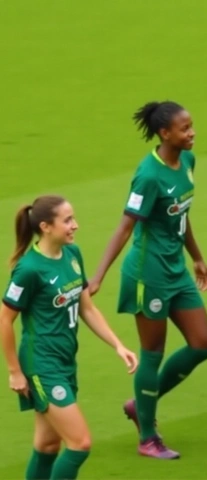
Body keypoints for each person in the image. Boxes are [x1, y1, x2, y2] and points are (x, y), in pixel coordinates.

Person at [89, 101, 207, 459]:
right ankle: (147, 437)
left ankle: (141, 404)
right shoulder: (148, 174)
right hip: (148, 276)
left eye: (192, 126)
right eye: (185, 128)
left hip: (175, 270)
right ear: (164, 133)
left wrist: (198, 257)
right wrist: (98, 277)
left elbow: (180, 214)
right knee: (152, 354)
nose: (192, 133)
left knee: (203, 344)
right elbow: (125, 226)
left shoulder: (188, 162)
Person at [0, 196, 138, 480]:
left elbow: (86, 307)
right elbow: (4, 319)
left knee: (48, 445)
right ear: (45, 227)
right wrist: (14, 371)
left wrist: (118, 345)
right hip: (41, 365)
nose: (75, 225)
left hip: (65, 362)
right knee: (80, 445)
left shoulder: (72, 256)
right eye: (67, 220)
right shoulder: (29, 270)